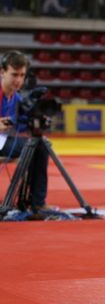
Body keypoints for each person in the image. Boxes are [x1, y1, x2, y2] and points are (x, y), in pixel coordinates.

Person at [0, 51, 50, 211]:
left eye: (22, 75)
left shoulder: (17, 97)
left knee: (41, 145)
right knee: (36, 146)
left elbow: (20, 124)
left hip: (4, 142)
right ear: (2, 72)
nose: (19, 80)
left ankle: (36, 203)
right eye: (14, 74)